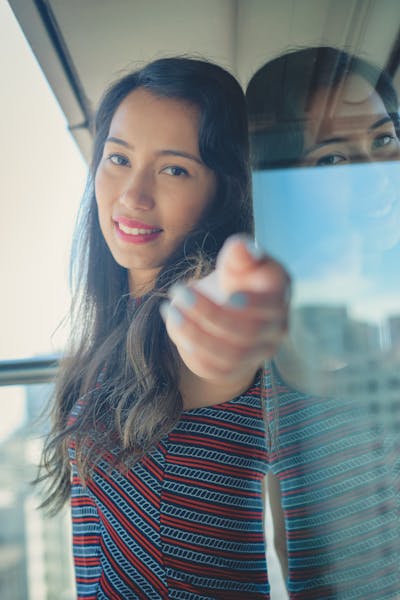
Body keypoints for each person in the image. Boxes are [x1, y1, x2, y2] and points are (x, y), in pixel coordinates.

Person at [38, 56, 290, 599]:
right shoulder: (114, 332)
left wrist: (239, 306)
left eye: (174, 168)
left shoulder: (188, 329)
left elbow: (218, 337)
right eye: (119, 159)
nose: (133, 194)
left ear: (222, 190)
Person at [246, 47, 400, 599]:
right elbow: (293, 540)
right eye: (332, 159)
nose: (379, 175)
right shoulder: (276, 337)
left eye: (384, 140)